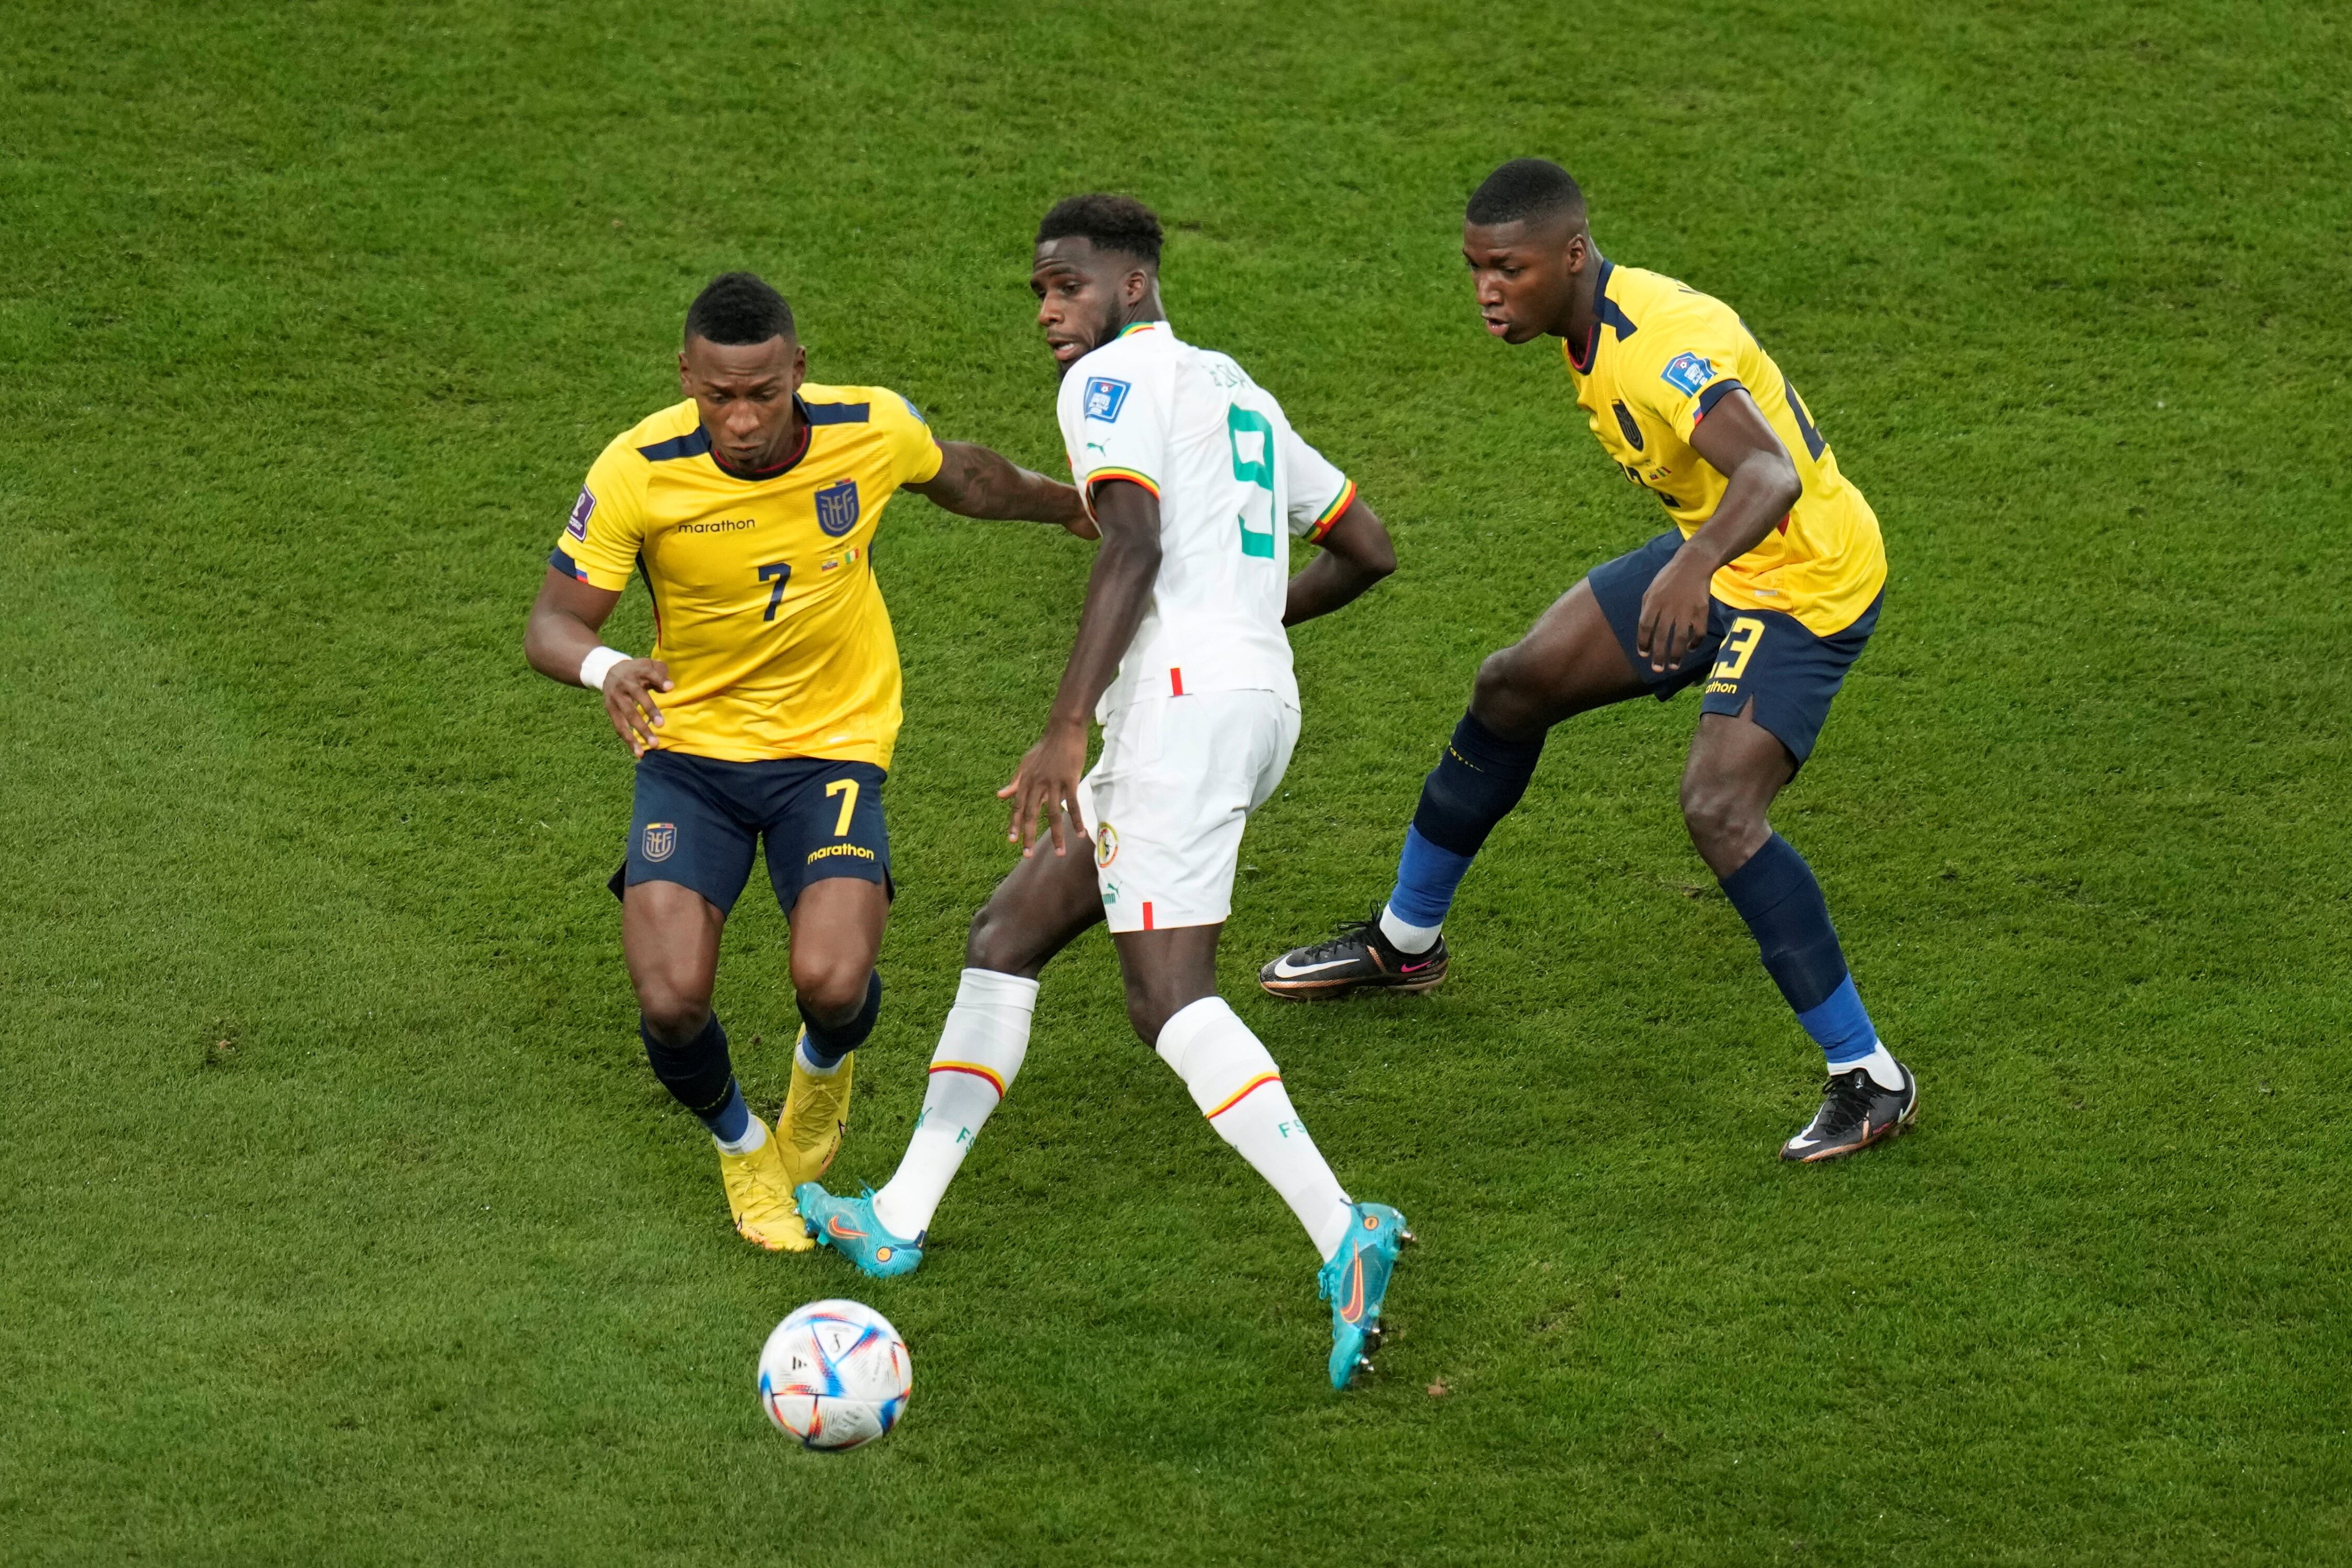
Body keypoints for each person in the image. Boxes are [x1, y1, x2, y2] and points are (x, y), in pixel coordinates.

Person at [795, 196, 1411, 1389]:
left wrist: (1065, 726)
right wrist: (1239, 622)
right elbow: (1367, 547)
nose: (1047, 314)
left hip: (1175, 716)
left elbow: (1127, 542)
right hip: (1249, 705)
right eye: (1038, 292)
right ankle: (900, 1216)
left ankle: (1346, 1233)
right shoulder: (1238, 388)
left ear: (1131, 285)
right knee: (1010, 930)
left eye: (1066, 287)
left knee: (1166, 998)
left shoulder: (1111, 384)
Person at [1259, 159, 1916, 1164]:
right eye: (1476, 268)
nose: (1487, 290)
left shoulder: (1659, 347)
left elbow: (1770, 474)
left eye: (1509, 269)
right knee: (1511, 685)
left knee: (1719, 808)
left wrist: (1695, 565)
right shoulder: (1585, 326)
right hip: (1722, 554)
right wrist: (1700, 560)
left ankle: (1868, 1076)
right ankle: (1406, 944)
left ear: (1572, 255)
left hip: (1805, 580)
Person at [523, 271, 1092, 1251]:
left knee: (833, 983)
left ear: (798, 372)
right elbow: (551, 624)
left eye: (762, 394)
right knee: (669, 998)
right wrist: (610, 667)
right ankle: (745, 1149)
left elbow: (968, 477)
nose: (740, 421)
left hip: (830, 748)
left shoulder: (868, 429)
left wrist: (1075, 505)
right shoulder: (636, 469)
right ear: (687, 379)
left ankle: (822, 1077)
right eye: (718, 396)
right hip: (689, 754)